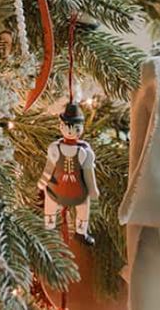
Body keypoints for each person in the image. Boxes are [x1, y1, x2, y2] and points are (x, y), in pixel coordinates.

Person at [40, 100, 99, 242]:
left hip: (76, 190)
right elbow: (49, 168)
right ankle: (49, 228)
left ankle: (81, 232)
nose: (71, 131)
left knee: (83, 206)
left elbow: (88, 174)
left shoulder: (84, 152)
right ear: (61, 126)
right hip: (57, 188)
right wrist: (43, 181)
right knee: (50, 201)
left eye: (75, 128)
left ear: (81, 129)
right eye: (68, 127)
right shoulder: (55, 148)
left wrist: (92, 189)